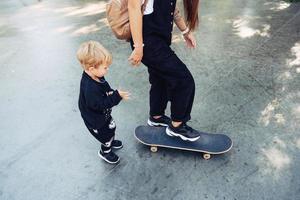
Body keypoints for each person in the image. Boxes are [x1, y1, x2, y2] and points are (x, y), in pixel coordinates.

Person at [128, 0, 201, 141]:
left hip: (159, 41)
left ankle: (156, 116)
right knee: (183, 80)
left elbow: (173, 9)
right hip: (147, 42)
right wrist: (138, 47)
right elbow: (133, 8)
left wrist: (186, 31)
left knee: (160, 79)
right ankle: (177, 126)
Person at [77, 41, 130, 164]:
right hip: (95, 119)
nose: (108, 69)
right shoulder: (90, 88)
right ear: (91, 68)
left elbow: (104, 86)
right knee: (105, 135)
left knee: (111, 127)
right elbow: (100, 104)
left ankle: (110, 140)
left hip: (102, 115)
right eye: (105, 67)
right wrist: (116, 96)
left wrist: (111, 92)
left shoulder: (96, 75)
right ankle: (105, 151)